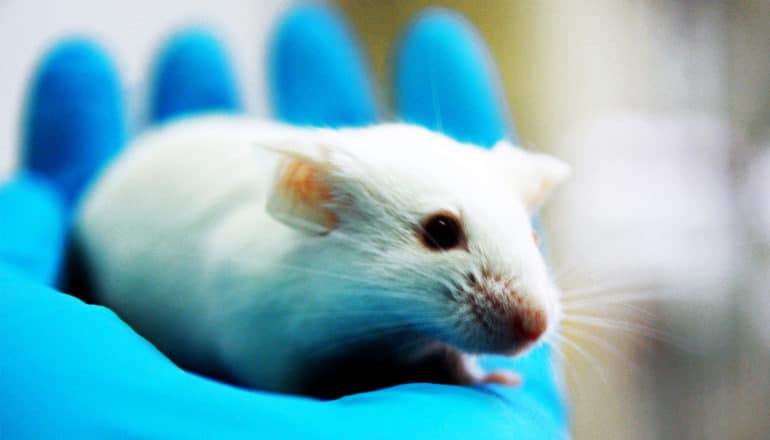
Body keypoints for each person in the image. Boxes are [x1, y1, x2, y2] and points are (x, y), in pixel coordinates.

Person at [0, 4, 567, 439]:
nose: (531, 317)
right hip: (116, 244)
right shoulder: (263, 276)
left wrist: (458, 367)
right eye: (441, 233)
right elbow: (253, 342)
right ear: (311, 197)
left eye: (530, 236)